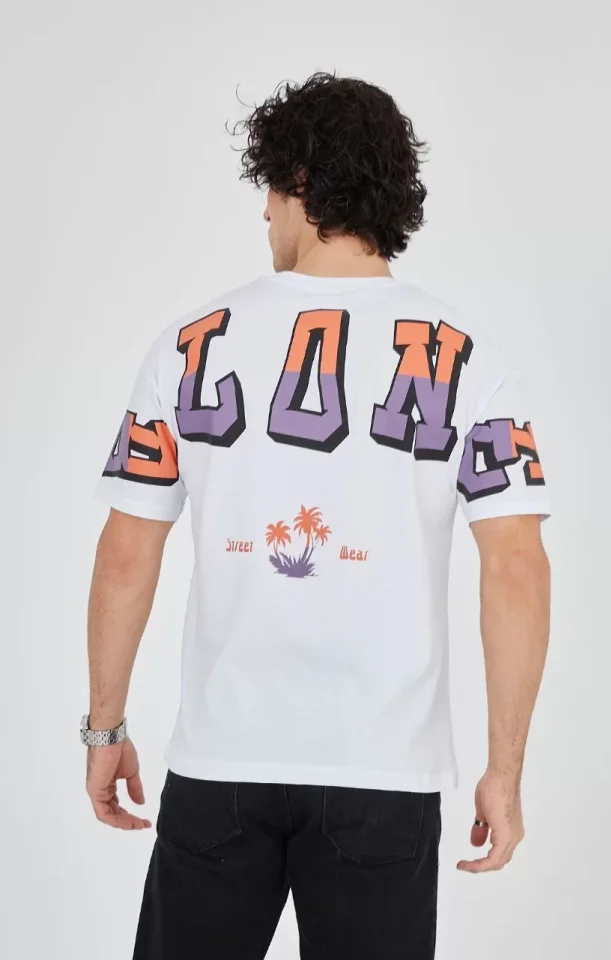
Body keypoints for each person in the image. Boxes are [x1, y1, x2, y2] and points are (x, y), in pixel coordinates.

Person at [84, 72, 551, 960]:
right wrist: (505, 770)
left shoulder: (189, 343)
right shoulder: (471, 356)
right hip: (385, 772)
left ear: (299, 181)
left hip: (222, 763)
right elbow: (516, 567)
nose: (264, 213)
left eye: (269, 188)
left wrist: (104, 727)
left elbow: (126, 553)